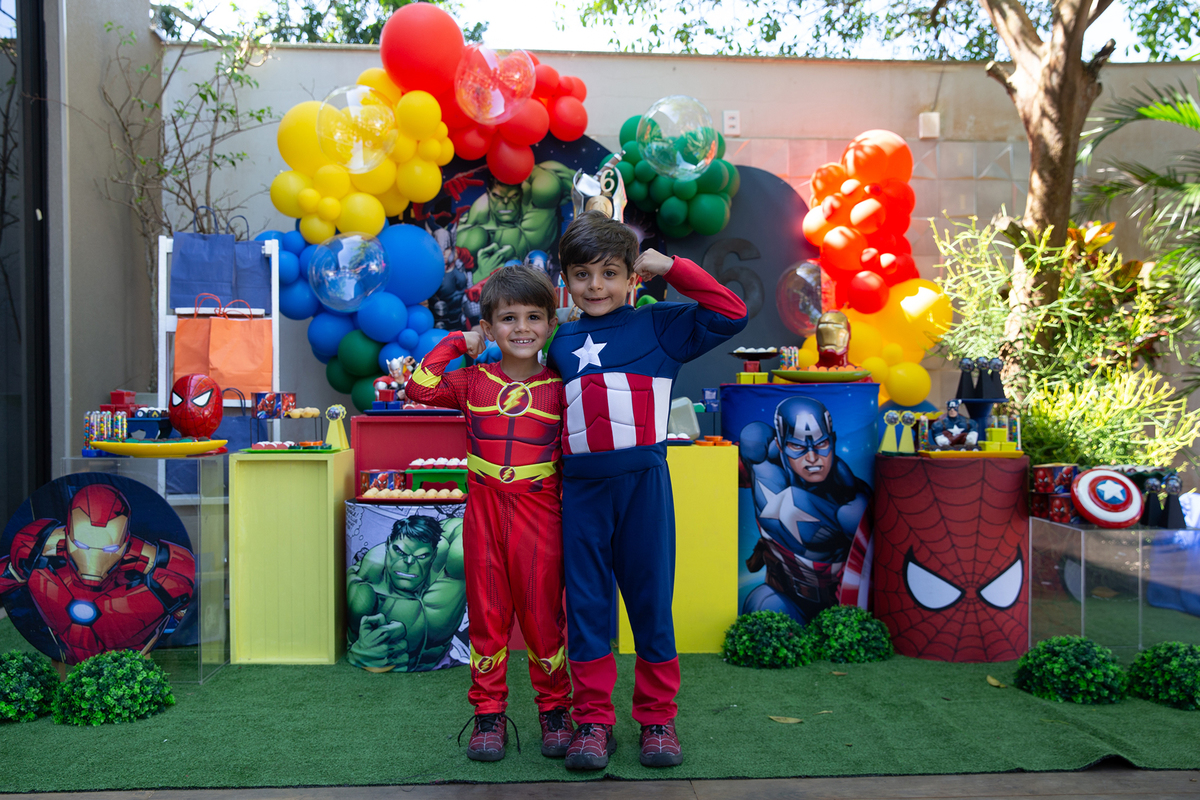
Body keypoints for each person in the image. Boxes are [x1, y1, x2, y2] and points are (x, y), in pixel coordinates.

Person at [546, 211, 748, 770]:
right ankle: (592, 722)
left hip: (644, 488)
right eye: (582, 274)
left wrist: (674, 266)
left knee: (651, 603)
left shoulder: (660, 326)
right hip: (581, 495)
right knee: (586, 608)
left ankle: (658, 719)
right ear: (566, 279)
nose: (596, 286)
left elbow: (732, 312)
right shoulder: (559, 341)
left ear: (634, 277)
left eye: (610, 273)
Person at [405, 266, 572, 763]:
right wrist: (459, 339)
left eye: (534, 317)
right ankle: (488, 714)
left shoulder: (562, 385)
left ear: (550, 323)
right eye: (508, 318)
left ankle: (555, 710)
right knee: (487, 616)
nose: (522, 327)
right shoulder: (471, 382)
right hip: (482, 515)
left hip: (541, 516)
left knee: (545, 619)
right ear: (491, 327)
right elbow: (419, 387)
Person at [0, 483, 195, 664]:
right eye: (82, 545)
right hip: (63, 645)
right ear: (67, 535)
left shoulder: (164, 569)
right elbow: (9, 575)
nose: (93, 559)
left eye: (109, 549)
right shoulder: (33, 549)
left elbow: (179, 610)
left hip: (126, 655)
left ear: (125, 543)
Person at [739, 396, 872, 624]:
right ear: (780, 445)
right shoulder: (761, 462)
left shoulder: (850, 502)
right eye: (798, 447)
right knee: (762, 607)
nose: (812, 458)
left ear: (833, 441)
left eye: (821, 445)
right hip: (785, 596)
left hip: (836, 608)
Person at [346, 515, 467, 673]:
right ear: (388, 545)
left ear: (434, 554)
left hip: (447, 661)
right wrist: (362, 652)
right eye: (400, 552)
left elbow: (460, 526)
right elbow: (357, 647)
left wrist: (425, 531)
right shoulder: (366, 589)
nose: (409, 562)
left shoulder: (450, 572)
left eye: (421, 556)